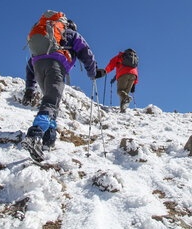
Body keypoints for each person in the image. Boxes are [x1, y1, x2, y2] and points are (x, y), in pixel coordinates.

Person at [21, 12, 106, 162]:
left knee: (52, 101)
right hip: (55, 65)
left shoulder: (48, 38)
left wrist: (30, 89)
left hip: (38, 66)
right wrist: (92, 73)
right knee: (51, 101)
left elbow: (29, 65)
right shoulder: (71, 34)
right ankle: (35, 135)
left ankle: (49, 139)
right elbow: (85, 51)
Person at [105, 49, 138, 113]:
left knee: (120, 91)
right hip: (133, 76)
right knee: (124, 93)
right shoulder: (133, 59)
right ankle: (123, 109)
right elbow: (133, 70)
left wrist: (105, 71)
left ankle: (127, 98)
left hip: (123, 75)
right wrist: (134, 83)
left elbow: (111, 63)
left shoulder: (120, 56)